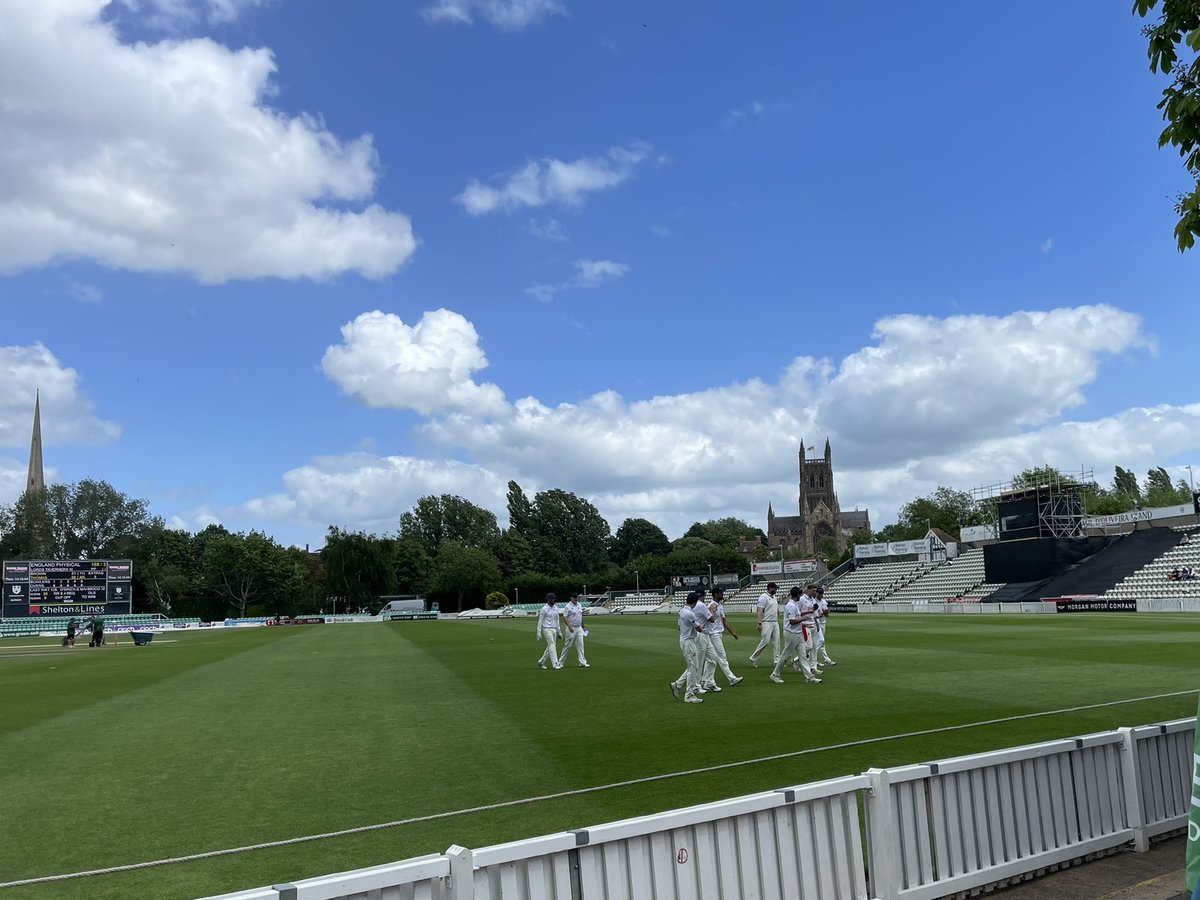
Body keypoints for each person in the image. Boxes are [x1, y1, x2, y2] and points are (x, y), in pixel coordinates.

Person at [771, 586, 820, 684]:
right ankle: (775, 674)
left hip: (798, 633)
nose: (800, 596)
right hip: (791, 633)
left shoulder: (794, 604)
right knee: (785, 655)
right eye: (799, 594)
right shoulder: (791, 606)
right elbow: (792, 621)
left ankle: (809, 677)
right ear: (797, 595)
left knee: (803, 656)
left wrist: (806, 613)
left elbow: (797, 615)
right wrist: (804, 618)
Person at [701, 586, 743, 689]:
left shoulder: (719, 605)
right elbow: (707, 619)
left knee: (711, 659)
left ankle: (704, 680)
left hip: (718, 633)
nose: (722, 594)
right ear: (715, 594)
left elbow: (724, 621)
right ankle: (731, 678)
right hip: (713, 634)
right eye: (721, 593)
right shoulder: (711, 606)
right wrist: (712, 612)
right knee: (721, 656)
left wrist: (732, 633)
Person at [669, 592, 706, 703]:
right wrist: (702, 625)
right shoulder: (690, 614)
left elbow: (680, 627)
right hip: (688, 642)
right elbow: (699, 629)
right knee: (693, 668)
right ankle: (689, 695)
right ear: (695, 602)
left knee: (692, 667)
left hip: (684, 640)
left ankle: (677, 684)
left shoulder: (682, 611)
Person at [748, 582, 781, 668]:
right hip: (766, 622)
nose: (776, 590)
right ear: (770, 588)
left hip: (775, 621)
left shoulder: (774, 597)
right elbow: (760, 610)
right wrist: (759, 623)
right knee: (765, 641)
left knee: (777, 642)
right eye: (775, 588)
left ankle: (777, 661)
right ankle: (753, 658)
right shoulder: (763, 597)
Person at [558, 593, 589, 668]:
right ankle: (560, 662)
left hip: (579, 628)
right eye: (574, 598)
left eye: (576, 598)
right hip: (571, 628)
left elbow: (580, 616)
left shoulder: (579, 605)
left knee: (580, 645)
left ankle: (582, 662)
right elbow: (564, 617)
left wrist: (583, 625)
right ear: (571, 598)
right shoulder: (568, 606)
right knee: (568, 646)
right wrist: (569, 626)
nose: (576, 599)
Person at [535, 593, 562, 669]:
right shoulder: (544, 609)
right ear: (549, 599)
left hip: (554, 629)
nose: (554, 600)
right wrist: (538, 632)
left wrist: (559, 631)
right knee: (552, 645)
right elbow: (540, 621)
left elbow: (557, 620)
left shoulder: (556, 608)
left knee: (550, 647)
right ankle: (555, 664)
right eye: (552, 599)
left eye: (554, 599)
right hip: (546, 629)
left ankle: (541, 661)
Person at [813, 586, 836, 667]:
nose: (820, 595)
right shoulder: (813, 601)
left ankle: (816, 660)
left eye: (822, 593)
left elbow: (826, 615)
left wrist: (826, 612)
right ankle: (824, 659)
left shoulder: (824, 602)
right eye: (819, 593)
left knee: (820, 642)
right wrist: (822, 613)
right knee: (820, 641)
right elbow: (815, 614)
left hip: (823, 622)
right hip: (816, 622)